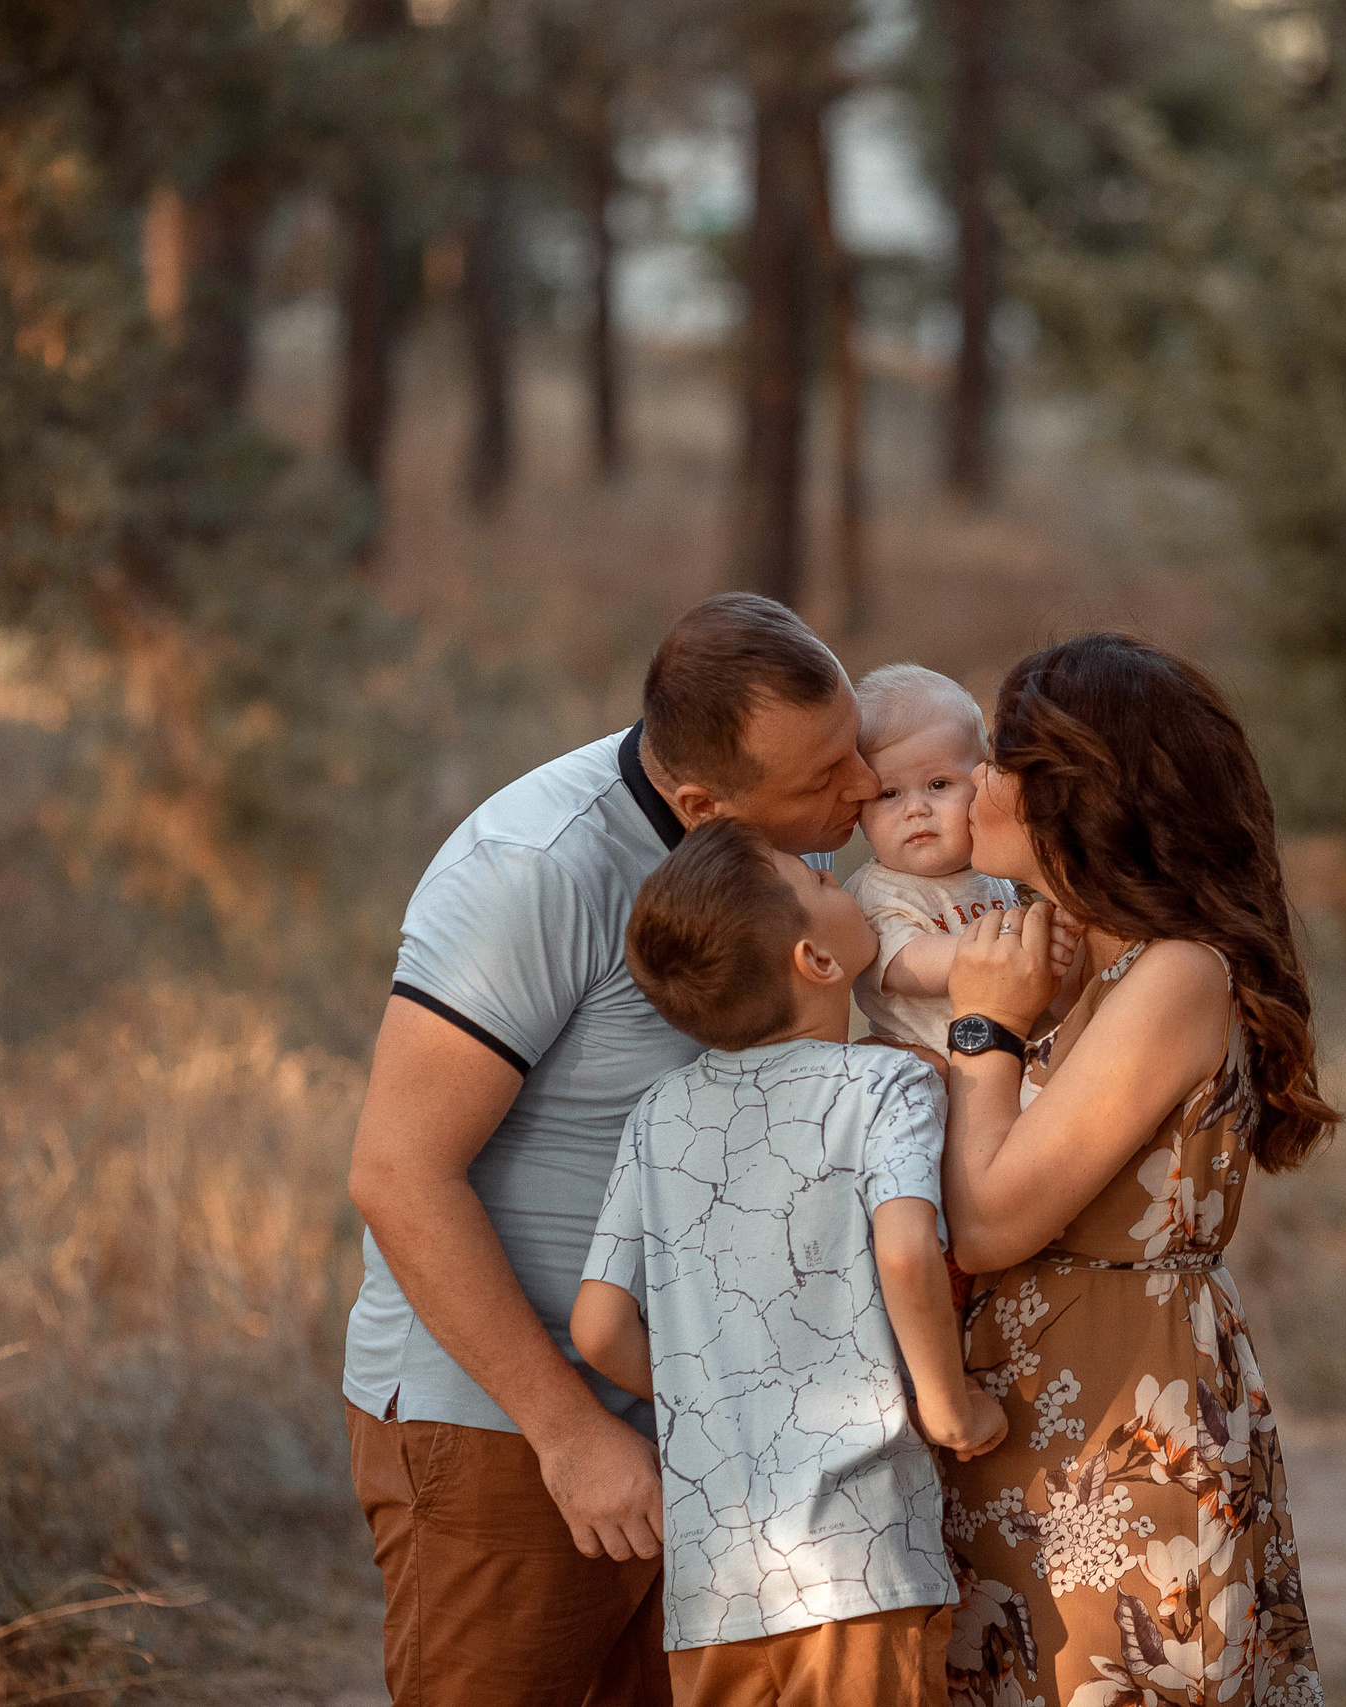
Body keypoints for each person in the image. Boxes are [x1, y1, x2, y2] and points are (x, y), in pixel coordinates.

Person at [341, 593, 878, 1707]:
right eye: (825, 777)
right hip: (510, 1425)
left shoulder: (793, 878)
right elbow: (398, 1171)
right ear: (701, 804)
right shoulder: (535, 872)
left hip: (689, 1420)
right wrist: (568, 1433)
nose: (863, 787)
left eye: (856, 750)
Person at [933, 634, 1335, 1707]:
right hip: (1041, 1418)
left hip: (1117, 1430)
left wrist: (984, 1027)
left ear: (1073, 793)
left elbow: (988, 1221)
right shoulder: (1098, 967)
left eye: (996, 760)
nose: (973, 782)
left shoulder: (1174, 975)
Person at [570, 818, 1007, 1707]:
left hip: (716, 1580)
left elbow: (598, 1327)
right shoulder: (886, 1084)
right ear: (816, 959)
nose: (845, 883)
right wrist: (948, 1405)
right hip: (859, 1558)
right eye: (823, 885)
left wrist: (715, 1390)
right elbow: (904, 1248)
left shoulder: (659, 1114)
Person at [843, 665, 1022, 1057]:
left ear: (979, 782)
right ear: (858, 813)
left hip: (1013, 1047)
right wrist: (1005, 947)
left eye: (938, 785)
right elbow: (905, 965)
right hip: (936, 1068)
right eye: (889, 794)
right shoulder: (874, 891)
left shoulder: (996, 871)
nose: (916, 809)